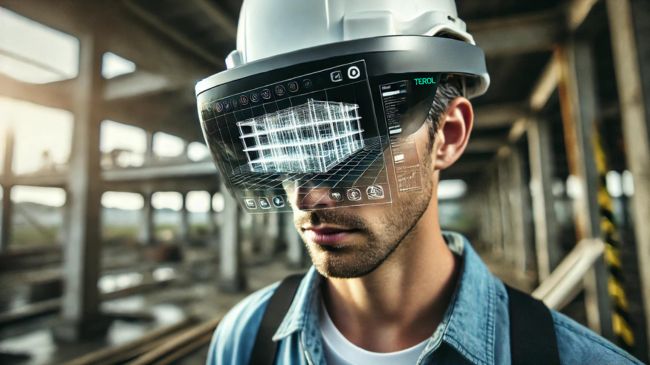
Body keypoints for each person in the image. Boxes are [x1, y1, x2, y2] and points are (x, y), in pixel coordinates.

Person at [196, 1, 643, 364]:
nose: (308, 194)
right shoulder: (244, 338)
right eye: (284, 146)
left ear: (448, 136)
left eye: (354, 143)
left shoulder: (572, 358)